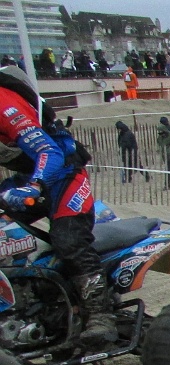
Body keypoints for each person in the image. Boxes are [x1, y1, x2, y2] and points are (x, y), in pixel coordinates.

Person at [0, 65, 116, 346]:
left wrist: (35, 185)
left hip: (63, 174)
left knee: (69, 240)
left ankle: (100, 315)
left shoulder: (4, 102)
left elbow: (47, 150)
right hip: (28, 176)